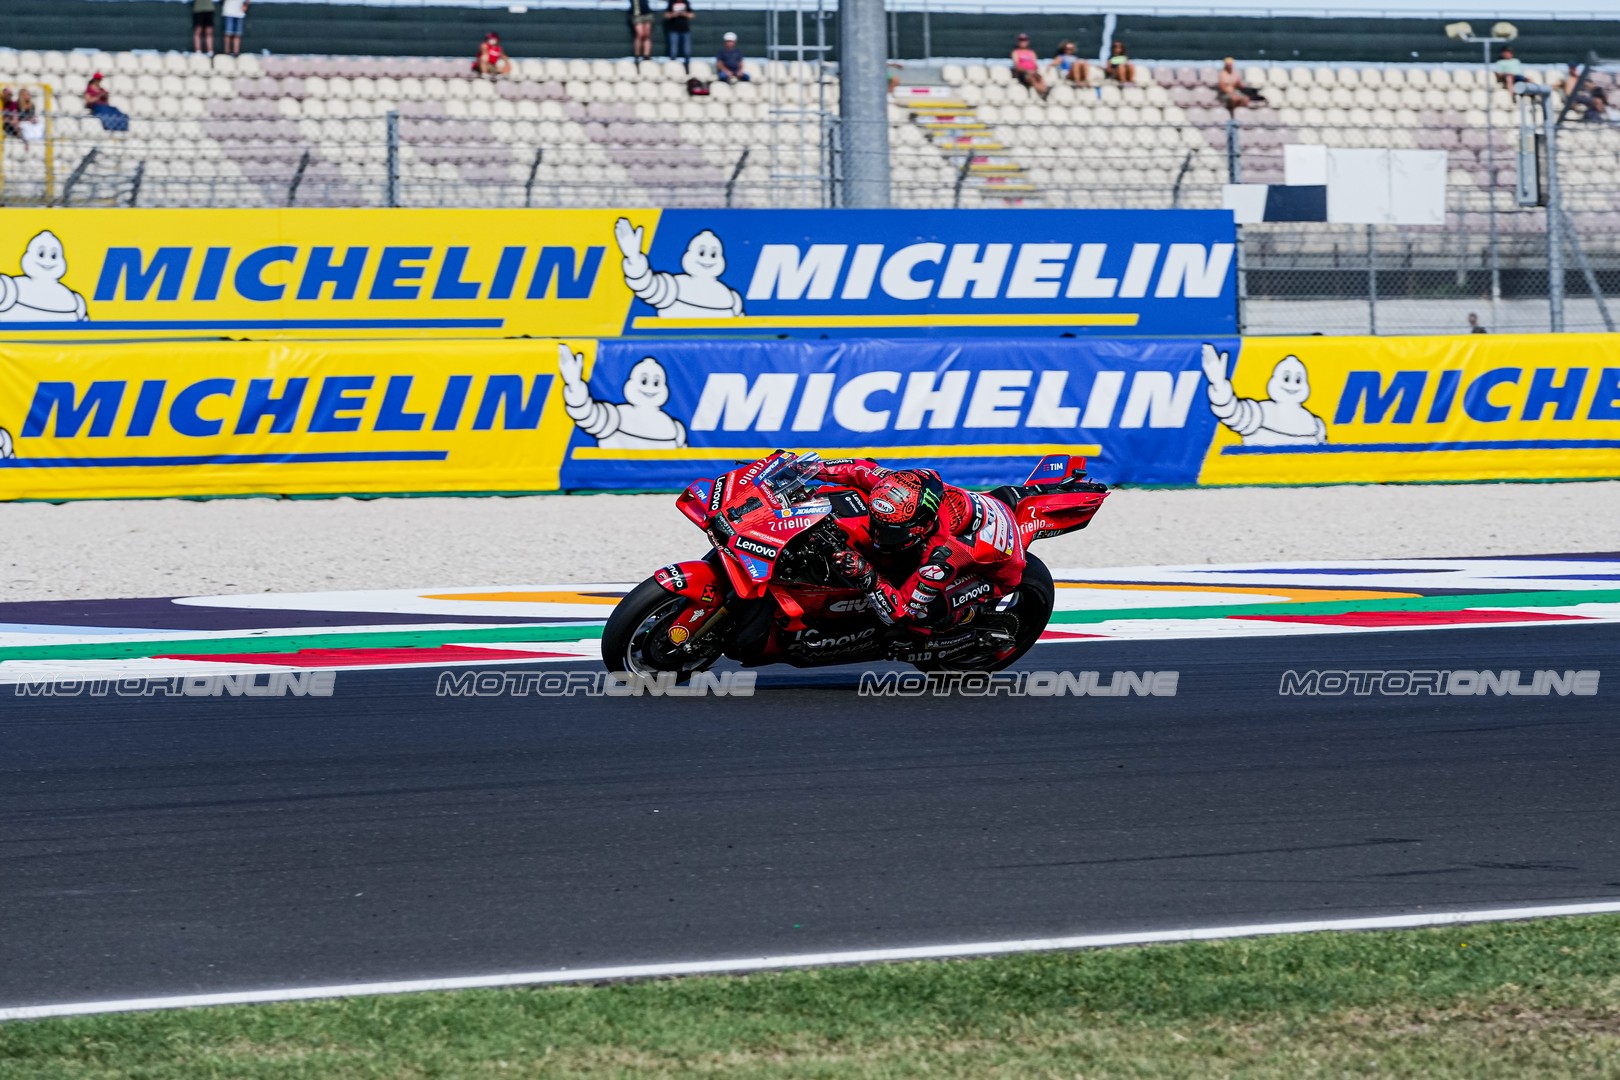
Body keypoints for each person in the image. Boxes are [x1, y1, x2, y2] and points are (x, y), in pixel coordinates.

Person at [815, 459, 1027, 641]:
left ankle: (966, 617)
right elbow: (859, 470)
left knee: (919, 619)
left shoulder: (942, 558)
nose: (878, 535)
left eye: (891, 533)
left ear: (923, 526)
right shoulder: (902, 487)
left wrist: (868, 575)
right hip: (985, 513)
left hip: (996, 573)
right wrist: (808, 467)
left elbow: (901, 613)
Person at [1010, 33, 1049, 100]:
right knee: (1031, 78)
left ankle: (1044, 90)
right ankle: (1042, 92)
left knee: (1040, 77)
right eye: (1021, 40)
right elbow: (1017, 65)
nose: (1023, 42)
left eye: (1024, 40)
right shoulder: (1015, 52)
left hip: (1032, 72)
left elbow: (1035, 65)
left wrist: (1033, 71)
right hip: (1022, 73)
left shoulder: (1031, 52)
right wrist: (1027, 71)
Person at [664, 0, 695, 73]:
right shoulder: (671, 2)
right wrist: (674, 14)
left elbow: (692, 15)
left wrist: (684, 14)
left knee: (687, 51)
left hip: (685, 30)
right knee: (673, 51)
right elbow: (666, 15)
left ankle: (687, 67)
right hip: (674, 30)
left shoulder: (686, 2)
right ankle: (673, 68)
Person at [628, 0, 654, 67]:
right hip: (636, 13)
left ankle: (646, 55)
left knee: (647, 35)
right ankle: (637, 55)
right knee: (640, 34)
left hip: (646, 12)